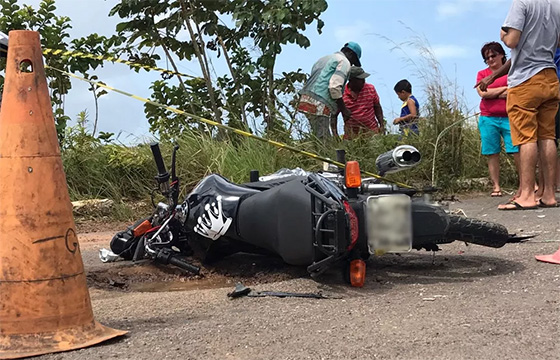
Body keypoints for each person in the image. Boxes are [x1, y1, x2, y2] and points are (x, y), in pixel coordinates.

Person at [477, 0, 560, 210]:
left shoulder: (522, 2)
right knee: (548, 136)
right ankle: (549, 194)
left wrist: (502, 35)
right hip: (550, 76)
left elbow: (512, 41)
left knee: (526, 137)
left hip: (525, 79)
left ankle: (526, 195)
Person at [475, 42, 520, 198]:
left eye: (493, 55)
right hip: (488, 118)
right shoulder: (482, 74)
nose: (490, 59)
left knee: (517, 151)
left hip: (510, 117)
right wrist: (503, 91)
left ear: (502, 55)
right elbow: (483, 93)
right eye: (487, 57)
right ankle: (496, 187)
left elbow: (515, 90)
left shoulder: (512, 72)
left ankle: (526, 184)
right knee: (492, 153)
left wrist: (493, 91)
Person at [298, 42, 362, 139]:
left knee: (317, 136)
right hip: (320, 102)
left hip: (306, 98)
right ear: (351, 54)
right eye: (353, 61)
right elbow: (334, 87)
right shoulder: (344, 62)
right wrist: (344, 109)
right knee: (323, 138)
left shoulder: (325, 58)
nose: (352, 64)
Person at [337, 66, 384, 139]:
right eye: (360, 79)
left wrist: (381, 125)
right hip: (351, 135)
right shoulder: (342, 93)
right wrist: (335, 135)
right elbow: (334, 115)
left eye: (364, 79)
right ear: (352, 80)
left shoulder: (370, 89)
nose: (363, 81)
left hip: (371, 132)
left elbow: (377, 107)